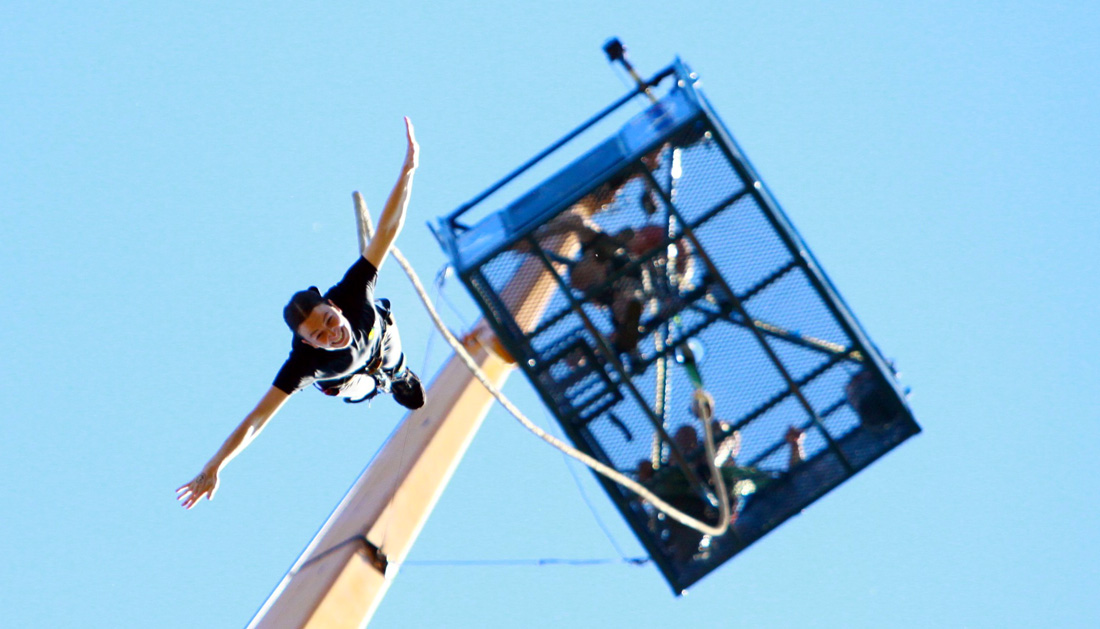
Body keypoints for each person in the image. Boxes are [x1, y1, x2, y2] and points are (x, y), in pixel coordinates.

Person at [176, 118, 425, 510]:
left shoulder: (352, 291)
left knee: (386, 341)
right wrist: (215, 465)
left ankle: (398, 375)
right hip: (349, 379)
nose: (332, 334)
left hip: (381, 339)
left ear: (334, 306)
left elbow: (387, 232)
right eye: (320, 337)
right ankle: (381, 382)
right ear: (306, 342)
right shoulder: (303, 365)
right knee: (349, 386)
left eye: (329, 321)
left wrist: (407, 170)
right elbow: (257, 419)